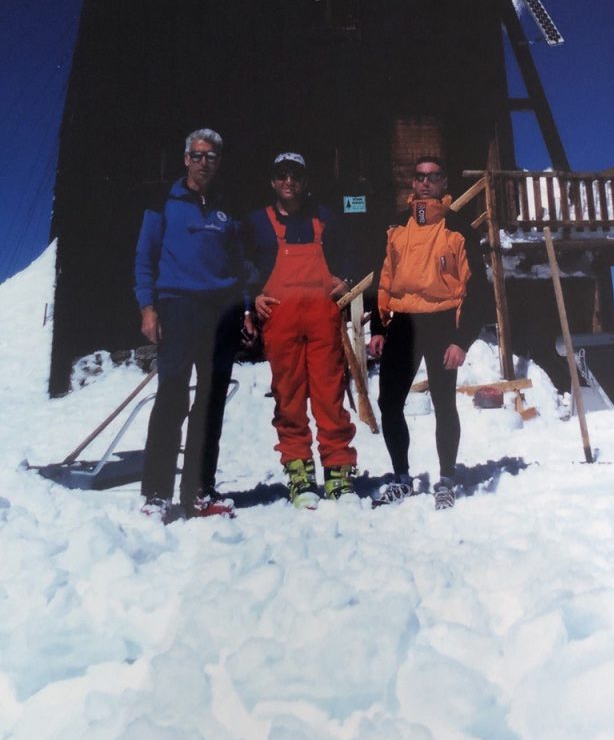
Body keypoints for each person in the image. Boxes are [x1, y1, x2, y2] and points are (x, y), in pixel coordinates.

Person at [135, 128, 245, 522]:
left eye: (211, 156)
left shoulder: (225, 206)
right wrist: (148, 308)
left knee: (210, 403)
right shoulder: (164, 201)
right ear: (185, 158)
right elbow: (145, 257)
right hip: (178, 309)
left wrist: (243, 303)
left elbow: (238, 261)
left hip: (220, 313)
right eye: (197, 155)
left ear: (218, 161)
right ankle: (157, 495)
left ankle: (199, 491)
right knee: (172, 398)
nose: (203, 162)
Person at [368, 155, 487, 510]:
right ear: (412, 183)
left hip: (441, 323)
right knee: (389, 401)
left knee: (444, 403)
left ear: (443, 182)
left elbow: (476, 289)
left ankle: (446, 480)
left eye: (432, 177)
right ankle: (402, 478)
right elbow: (383, 279)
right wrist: (378, 326)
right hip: (404, 323)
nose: (424, 183)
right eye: (419, 177)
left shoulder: (459, 229)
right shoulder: (397, 227)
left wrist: (461, 340)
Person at [243, 152, 358, 509]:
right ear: (273, 181)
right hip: (281, 321)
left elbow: (350, 254)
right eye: (282, 175)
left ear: (305, 181)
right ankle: (299, 473)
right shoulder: (258, 223)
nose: (288, 181)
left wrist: (346, 280)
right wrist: (252, 297)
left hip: (323, 319)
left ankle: (338, 473)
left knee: (329, 396)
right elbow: (240, 262)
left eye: (295, 175)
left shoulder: (325, 219)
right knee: (289, 398)